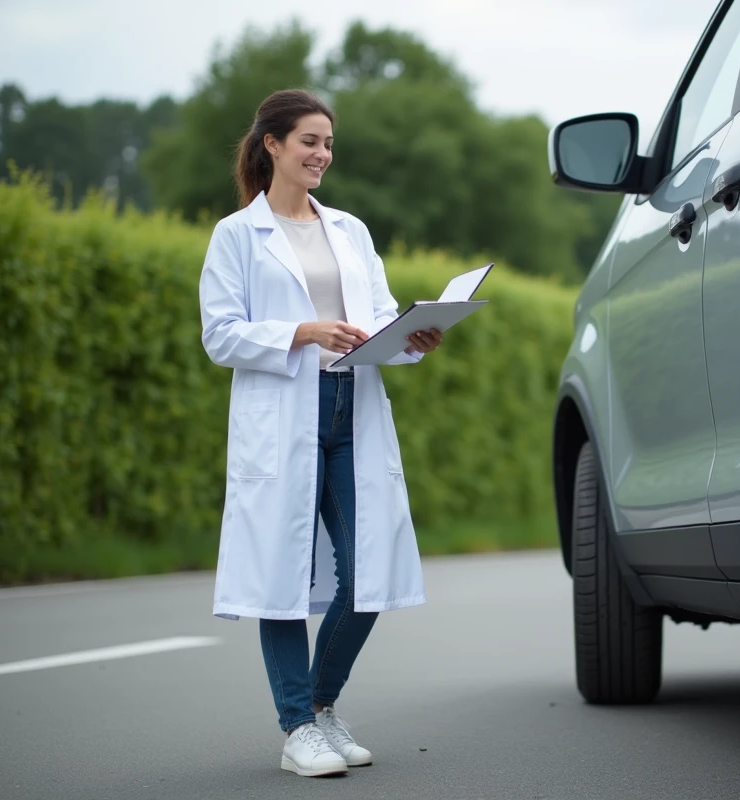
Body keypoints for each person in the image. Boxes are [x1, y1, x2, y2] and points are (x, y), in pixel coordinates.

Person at [198, 88, 442, 778]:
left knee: (367, 573)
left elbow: (382, 317)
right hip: (284, 416)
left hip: (352, 408)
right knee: (279, 574)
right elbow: (220, 336)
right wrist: (300, 332)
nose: (322, 154)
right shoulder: (236, 236)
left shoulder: (351, 230)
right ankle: (297, 726)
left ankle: (323, 706)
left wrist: (414, 340)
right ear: (272, 144)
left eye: (328, 143)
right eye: (309, 140)